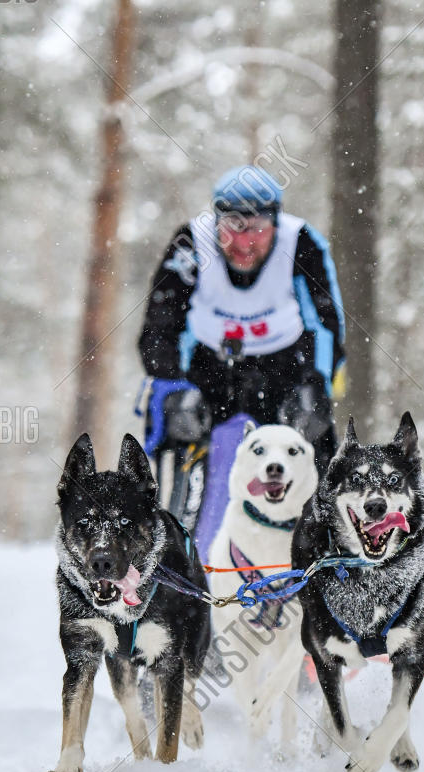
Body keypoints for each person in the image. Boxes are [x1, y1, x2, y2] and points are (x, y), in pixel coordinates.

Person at [137, 165, 346, 530]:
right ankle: (175, 535)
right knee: (177, 418)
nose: (245, 243)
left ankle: (317, 533)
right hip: (209, 367)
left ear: (276, 224)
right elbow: (159, 327)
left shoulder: (301, 242)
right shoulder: (191, 244)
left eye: (258, 229)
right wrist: (172, 384)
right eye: (233, 228)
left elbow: (327, 325)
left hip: (283, 367)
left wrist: (316, 382)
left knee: (312, 424)